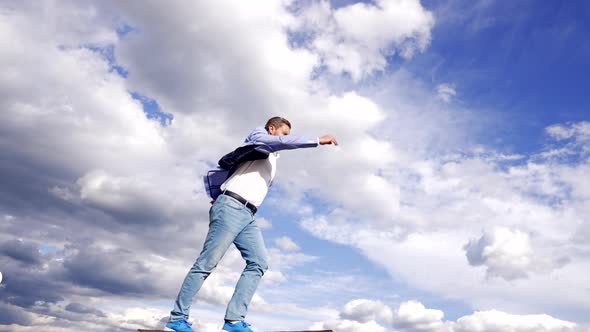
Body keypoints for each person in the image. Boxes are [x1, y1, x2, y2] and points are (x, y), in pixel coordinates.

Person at [166, 117, 338, 332]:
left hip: (248, 214)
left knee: (259, 262)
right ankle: (177, 318)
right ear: (271, 128)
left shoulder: (271, 158)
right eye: (283, 134)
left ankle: (234, 321)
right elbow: (280, 143)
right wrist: (317, 140)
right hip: (231, 206)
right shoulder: (258, 137)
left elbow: (240, 173)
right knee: (207, 263)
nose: (285, 139)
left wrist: (219, 192)